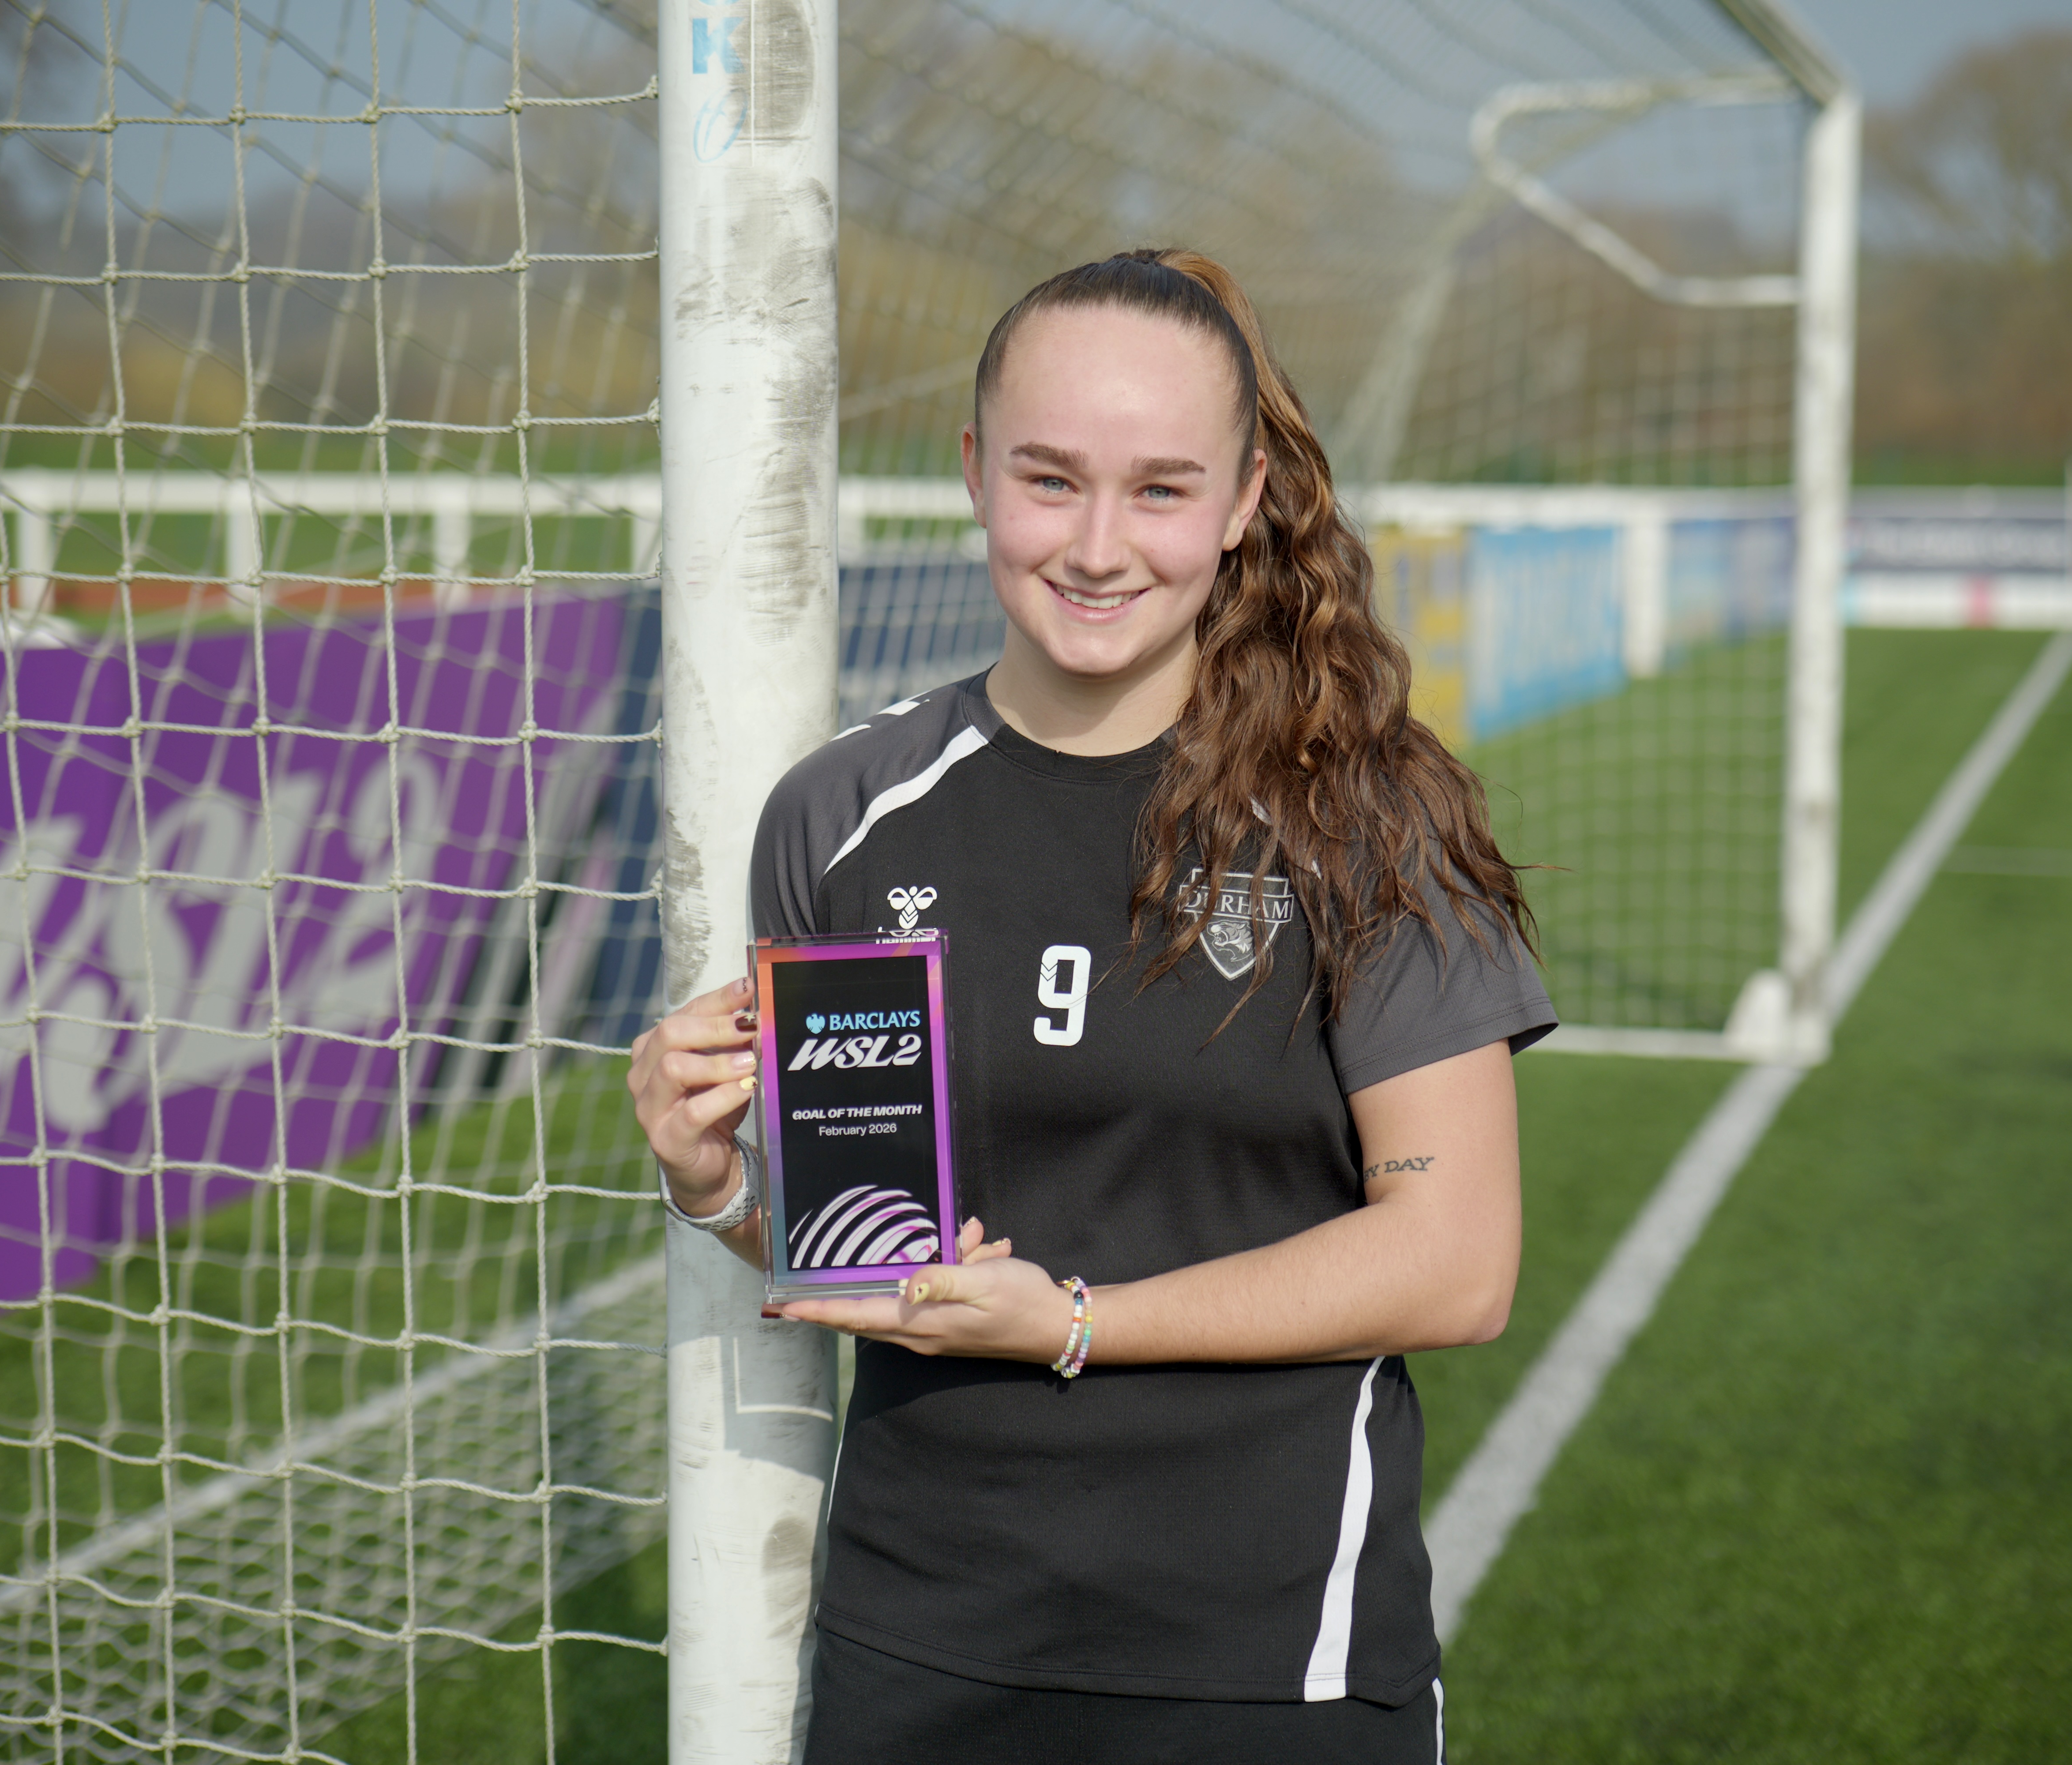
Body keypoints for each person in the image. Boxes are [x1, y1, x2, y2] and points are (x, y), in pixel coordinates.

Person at [627, 248, 1554, 1763]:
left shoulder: (1367, 820)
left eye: (1161, 490)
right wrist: (715, 1180)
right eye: (1050, 480)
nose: (1100, 546)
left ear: (1245, 501)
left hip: (1270, 1662)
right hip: (922, 1645)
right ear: (974, 471)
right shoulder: (842, 817)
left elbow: (1457, 1266)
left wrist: (1072, 1324)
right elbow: (865, 1248)